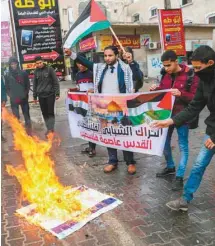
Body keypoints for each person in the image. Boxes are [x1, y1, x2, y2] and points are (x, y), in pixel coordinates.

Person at [151, 45, 215, 211]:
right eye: (194, 67)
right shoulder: (203, 80)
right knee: (198, 165)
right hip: (211, 131)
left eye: (199, 68)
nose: (196, 71)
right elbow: (194, 107)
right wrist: (170, 121)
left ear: (211, 63)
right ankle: (185, 199)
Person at [65, 46, 136, 174]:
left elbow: (138, 77)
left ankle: (130, 162)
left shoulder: (125, 69)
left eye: (110, 56)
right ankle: (112, 161)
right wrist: (72, 54)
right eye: (105, 56)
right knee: (109, 134)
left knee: (125, 134)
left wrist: (131, 62)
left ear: (116, 56)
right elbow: (86, 62)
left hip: (121, 107)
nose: (107, 58)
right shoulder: (100, 68)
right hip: (104, 108)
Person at [149, 50, 199, 191]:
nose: (166, 68)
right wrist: (156, 89)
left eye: (168, 65)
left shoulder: (191, 74)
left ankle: (179, 177)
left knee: (183, 145)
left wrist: (181, 93)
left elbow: (196, 98)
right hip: (166, 116)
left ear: (176, 61)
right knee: (164, 142)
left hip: (183, 116)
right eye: (164, 66)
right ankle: (170, 166)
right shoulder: (165, 74)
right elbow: (163, 91)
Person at [75, 53, 96, 157]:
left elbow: (99, 86)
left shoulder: (92, 72)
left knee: (92, 125)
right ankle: (89, 145)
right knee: (86, 126)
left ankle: (93, 148)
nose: (81, 66)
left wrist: (93, 89)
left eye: (82, 63)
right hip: (82, 104)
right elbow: (78, 88)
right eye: (79, 64)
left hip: (92, 103)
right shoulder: (78, 75)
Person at [33, 56, 60, 137]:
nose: (39, 64)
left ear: (43, 62)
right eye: (37, 63)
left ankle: (51, 129)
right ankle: (48, 128)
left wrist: (57, 93)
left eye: (40, 62)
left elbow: (55, 82)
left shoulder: (49, 69)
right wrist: (35, 96)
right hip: (41, 96)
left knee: (50, 112)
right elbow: (35, 85)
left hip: (50, 94)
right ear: (36, 64)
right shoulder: (36, 72)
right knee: (44, 113)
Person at [5, 57, 32, 135]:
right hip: (14, 98)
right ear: (10, 65)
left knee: (26, 113)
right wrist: (10, 95)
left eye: (15, 63)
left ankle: (29, 130)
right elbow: (7, 87)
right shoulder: (7, 75)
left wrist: (25, 93)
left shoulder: (23, 73)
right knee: (16, 116)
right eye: (11, 64)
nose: (13, 65)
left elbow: (27, 85)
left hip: (23, 97)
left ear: (17, 64)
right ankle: (18, 131)